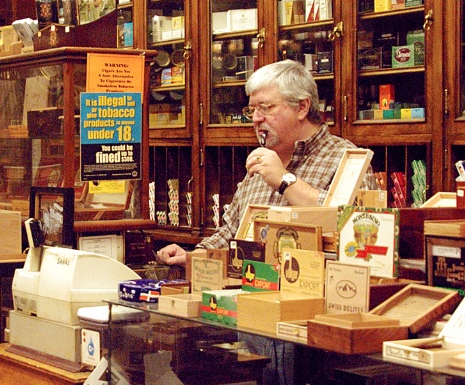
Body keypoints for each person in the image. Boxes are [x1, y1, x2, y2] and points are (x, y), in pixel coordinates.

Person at [156, 59, 376, 265]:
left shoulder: (348, 159)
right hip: (253, 290)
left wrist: (285, 180)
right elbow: (232, 231)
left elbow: (358, 232)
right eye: (252, 110)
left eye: (266, 108)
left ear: (302, 107)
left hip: (316, 294)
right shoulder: (264, 159)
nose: (256, 118)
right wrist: (195, 256)